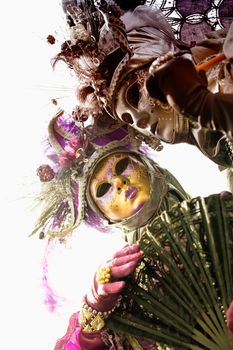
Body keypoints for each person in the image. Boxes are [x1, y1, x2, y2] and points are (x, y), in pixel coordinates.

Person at [34, 111, 233, 349]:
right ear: (105, 217)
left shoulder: (221, 217)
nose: (118, 183)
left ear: (150, 167)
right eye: (103, 189)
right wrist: (95, 310)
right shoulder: (125, 299)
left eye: (122, 166)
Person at [54, 0, 233, 169]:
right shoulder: (221, 149)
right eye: (127, 119)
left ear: (168, 62)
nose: (139, 120)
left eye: (134, 95)